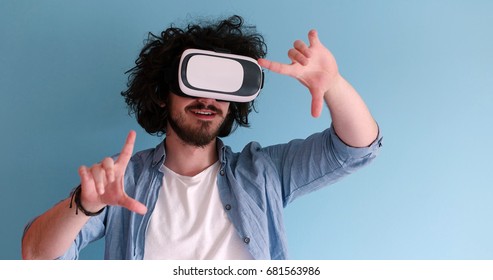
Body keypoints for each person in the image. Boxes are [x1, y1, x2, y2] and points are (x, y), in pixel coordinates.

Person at [22, 15, 382, 260]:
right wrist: (86, 206)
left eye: (220, 87)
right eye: (195, 82)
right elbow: (35, 257)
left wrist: (333, 84)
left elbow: (357, 149)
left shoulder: (264, 172)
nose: (208, 99)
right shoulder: (122, 182)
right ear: (163, 94)